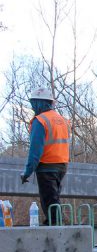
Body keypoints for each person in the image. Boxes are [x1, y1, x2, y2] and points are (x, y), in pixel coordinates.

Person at [20, 88, 70, 226]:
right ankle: (54, 225)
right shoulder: (63, 120)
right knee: (54, 199)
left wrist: (27, 172)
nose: (32, 107)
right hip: (62, 165)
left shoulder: (40, 121)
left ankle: (55, 230)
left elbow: (35, 151)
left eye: (33, 103)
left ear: (38, 103)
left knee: (49, 202)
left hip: (46, 166)